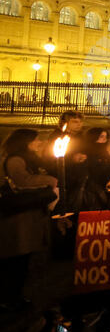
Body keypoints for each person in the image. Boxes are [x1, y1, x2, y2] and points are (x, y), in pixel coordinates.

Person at [0, 129, 59, 312]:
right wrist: (50, 180)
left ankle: (15, 296)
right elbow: (23, 181)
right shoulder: (16, 159)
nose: (39, 143)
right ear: (25, 142)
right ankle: (9, 299)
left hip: (27, 218)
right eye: (36, 140)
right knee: (14, 262)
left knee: (22, 262)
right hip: (17, 219)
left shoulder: (28, 158)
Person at [80, 127, 110, 211]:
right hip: (92, 188)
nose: (104, 139)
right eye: (101, 136)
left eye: (106, 137)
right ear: (93, 137)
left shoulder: (107, 152)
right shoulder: (86, 152)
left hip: (108, 185)